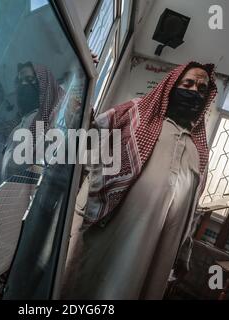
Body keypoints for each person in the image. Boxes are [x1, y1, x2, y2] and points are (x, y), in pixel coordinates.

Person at [61, 61, 218, 300]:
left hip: (152, 253)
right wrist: (80, 81)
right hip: (111, 233)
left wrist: (182, 250)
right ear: (171, 86)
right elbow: (86, 136)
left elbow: (191, 209)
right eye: (188, 83)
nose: (194, 91)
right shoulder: (134, 115)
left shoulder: (200, 150)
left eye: (202, 89)